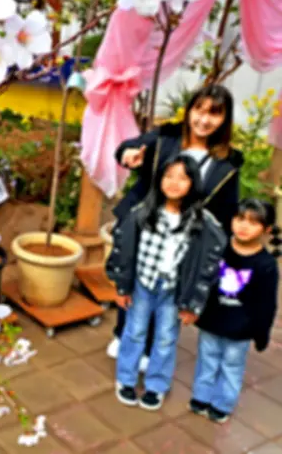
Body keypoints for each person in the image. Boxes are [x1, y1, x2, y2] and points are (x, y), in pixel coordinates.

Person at [108, 85, 243, 367]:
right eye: (200, 110)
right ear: (189, 110)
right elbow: (127, 147)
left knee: (168, 289)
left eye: (214, 114)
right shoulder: (166, 137)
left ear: (225, 119)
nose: (204, 120)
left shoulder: (226, 162)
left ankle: (149, 349)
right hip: (146, 225)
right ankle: (123, 335)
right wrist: (128, 154)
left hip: (184, 235)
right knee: (134, 280)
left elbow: (227, 209)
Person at [107, 155, 226, 411]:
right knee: (134, 331)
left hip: (173, 289)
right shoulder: (143, 212)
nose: (174, 183)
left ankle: (156, 385)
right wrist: (121, 285)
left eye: (183, 178)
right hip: (143, 283)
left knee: (165, 338)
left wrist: (194, 303)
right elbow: (124, 248)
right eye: (168, 175)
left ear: (193, 183)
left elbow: (208, 264)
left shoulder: (201, 222)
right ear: (159, 179)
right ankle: (125, 379)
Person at [190, 199, 279, 423]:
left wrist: (261, 334)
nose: (244, 226)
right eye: (240, 219)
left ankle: (222, 404)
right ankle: (201, 397)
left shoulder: (266, 264)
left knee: (231, 365)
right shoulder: (219, 247)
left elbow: (267, 303)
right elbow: (201, 277)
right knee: (206, 360)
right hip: (211, 320)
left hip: (240, 329)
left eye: (253, 222)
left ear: (266, 230)